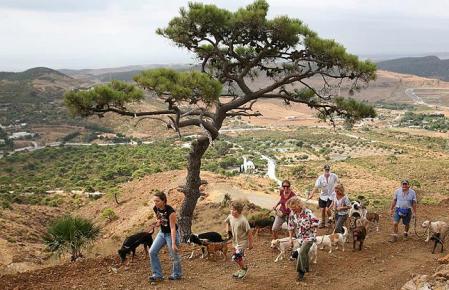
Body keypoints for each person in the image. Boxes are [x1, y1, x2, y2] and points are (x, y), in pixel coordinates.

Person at [148, 191, 182, 282]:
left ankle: (177, 274)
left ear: (164, 201)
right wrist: (158, 222)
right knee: (152, 252)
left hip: (171, 234)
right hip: (162, 233)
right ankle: (157, 274)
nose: (155, 203)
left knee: (173, 254)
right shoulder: (156, 208)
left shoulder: (171, 212)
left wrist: (173, 243)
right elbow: (159, 218)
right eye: (154, 201)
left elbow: (172, 228)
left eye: (157, 201)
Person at [287, 197, 319, 281]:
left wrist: (309, 226)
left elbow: (316, 222)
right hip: (300, 237)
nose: (292, 209)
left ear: (299, 205)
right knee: (304, 253)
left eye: (293, 207)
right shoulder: (292, 214)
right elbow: (290, 226)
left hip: (309, 237)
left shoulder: (307, 212)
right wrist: (290, 238)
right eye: (291, 208)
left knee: (301, 252)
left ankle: (301, 273)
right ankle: (307, 268)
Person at [225, 200, 253, 279]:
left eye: (234, 210)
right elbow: (226, 222)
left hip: (242, 242)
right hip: (235, 241)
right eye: (231, 209)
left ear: (239, 210)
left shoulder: (243, 220)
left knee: (235, 257)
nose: (232, 211)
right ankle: (241, 269)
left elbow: (249, 233)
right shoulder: (230, 216)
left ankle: (244, 269)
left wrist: (250, 244)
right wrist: (227, 230)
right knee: (238, 257)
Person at [308, 164, 339, 228]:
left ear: (329, 170)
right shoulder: (320, 178)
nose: (327, 171)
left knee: (328, 209)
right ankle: (323, 223)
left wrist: (338, 192)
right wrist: (311, 194)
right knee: (322, 210)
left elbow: (338, 183)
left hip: (331, 195)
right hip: (323, 196)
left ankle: (331, 219)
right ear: (324, 170)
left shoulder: (334, 176)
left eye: (328, 170)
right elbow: (316, 187)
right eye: (326, 170)